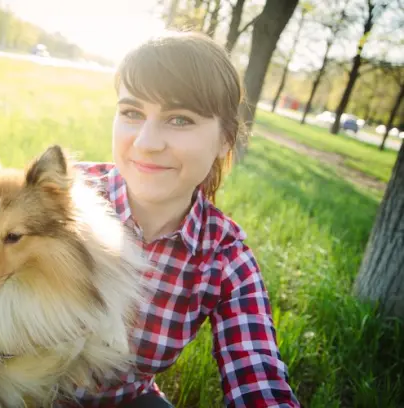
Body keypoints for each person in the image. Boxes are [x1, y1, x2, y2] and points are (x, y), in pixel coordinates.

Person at [63, 31, 301, 408]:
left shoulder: (223, 257)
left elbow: (258, 378)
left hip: (126, 400)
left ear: (225, 140)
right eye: (132, 112)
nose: (146, 142)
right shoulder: (58, 197)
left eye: (179, 119)